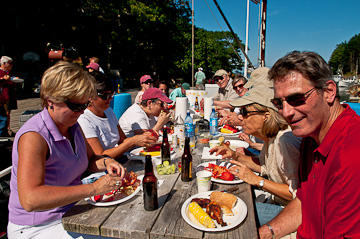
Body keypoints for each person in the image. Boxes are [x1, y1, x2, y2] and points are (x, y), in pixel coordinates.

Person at [7, 61, 127, 238]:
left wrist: (106, 161)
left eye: (84, 105)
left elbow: (90, 159)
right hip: (38, 226)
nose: (81, 111)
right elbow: (30, 199)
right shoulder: (34, 137)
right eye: (75, 106)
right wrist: (94, 188)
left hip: (70, 210)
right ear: (51, 100)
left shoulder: (72, 124)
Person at [259, 51, 360, 238]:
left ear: (329, 92)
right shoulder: (311, 136)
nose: (286, 112)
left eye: (296, 99)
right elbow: (304, 202)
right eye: (279, 103)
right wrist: (264, 233)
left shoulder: (350, 157)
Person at [210, 85, 302, 227]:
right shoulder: (269, 137)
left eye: (245, 112)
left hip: (291, 213)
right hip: (276, 201)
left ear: (266, 116)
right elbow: (265, 168)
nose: (240, 117)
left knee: (234, 214)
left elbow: (297, 195)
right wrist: (234, 155)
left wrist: (258, 181)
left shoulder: (285, 141)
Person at [78, 72, 157, 161]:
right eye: (105, 96)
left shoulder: (108, 111)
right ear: (89, 96)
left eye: (111, 94)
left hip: (119, 159)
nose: (110, 99)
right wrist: (133, 141)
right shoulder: (84, 120)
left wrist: (142, 138)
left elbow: (122, 140)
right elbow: (100, 156)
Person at [0, 56, 17, 135]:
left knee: (7, 113)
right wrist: (5, 80)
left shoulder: (8, 73)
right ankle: (4, 130)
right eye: (10, 63)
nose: (11, 65)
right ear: (4, 63)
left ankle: (6, 129)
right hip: (3, 95)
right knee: (4, 114)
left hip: (8, 95)